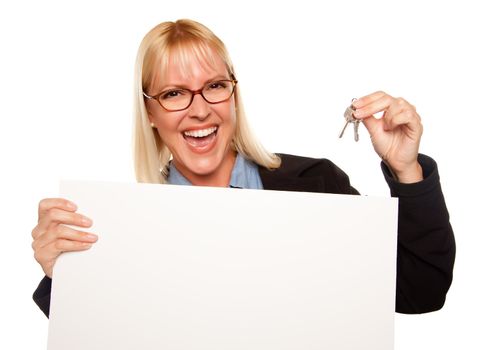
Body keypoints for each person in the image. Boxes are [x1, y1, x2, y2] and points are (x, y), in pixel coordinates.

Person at [31, 19, 455, 318]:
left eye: (214, 86)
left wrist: (406, 169)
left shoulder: (317, 185)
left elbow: (422, 291)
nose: (200, 110)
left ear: (234, 95)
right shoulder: (120, 229)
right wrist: (65, 274)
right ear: (151, 113)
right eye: (175, 93)